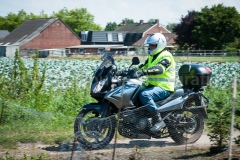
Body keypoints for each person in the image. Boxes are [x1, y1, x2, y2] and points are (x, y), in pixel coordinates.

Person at [137, 33, 176, 134]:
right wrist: (124, 72)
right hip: (153, 86)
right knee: (135, 90)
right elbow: (141, 67)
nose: (150, 47)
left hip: (164, 88)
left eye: (153, 45)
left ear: (160, 44)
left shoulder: (166, 55)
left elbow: (160, 68)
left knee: (144, 94)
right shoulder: (151, 57)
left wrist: (143, 72)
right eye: (149, 45)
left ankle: (158, 119)